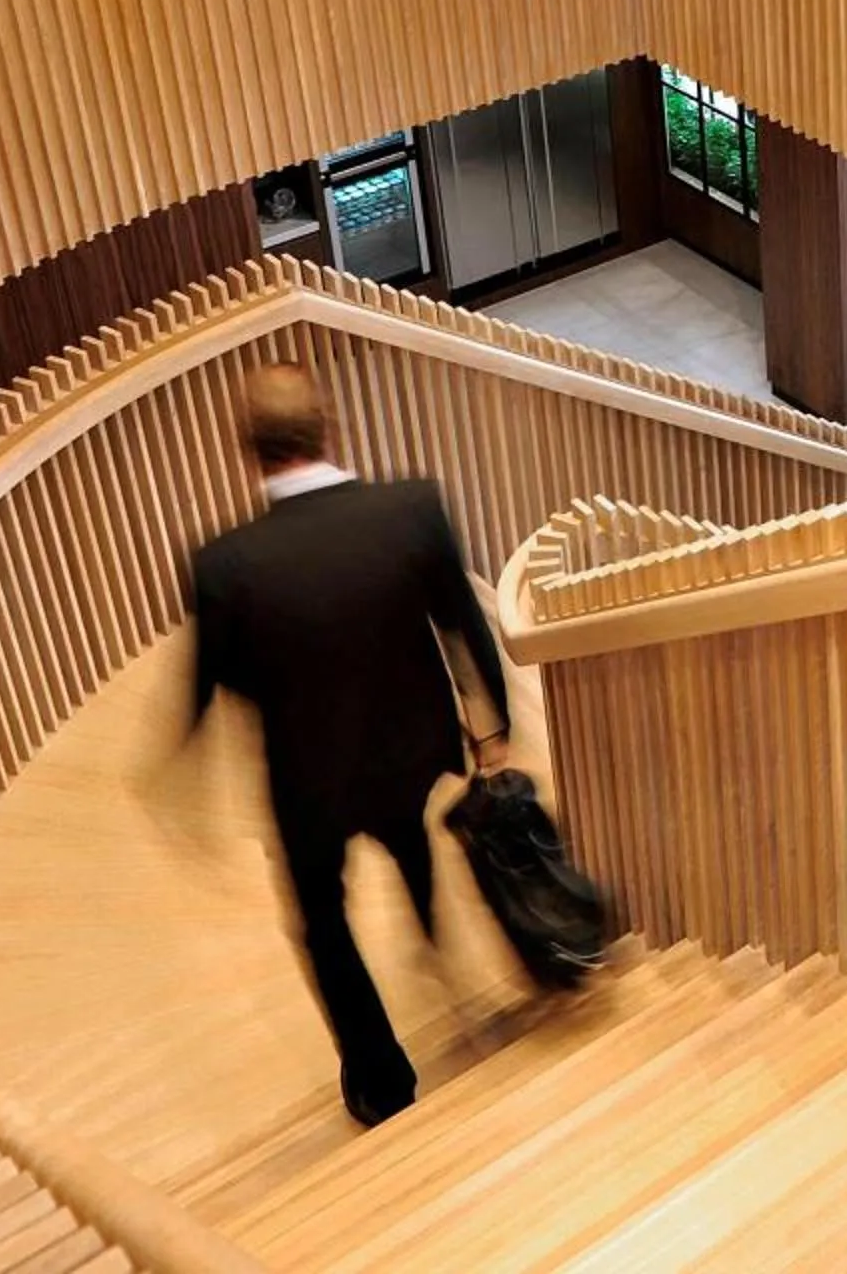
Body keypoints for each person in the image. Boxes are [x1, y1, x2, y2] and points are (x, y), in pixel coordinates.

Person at [181, 362, 512, 1127]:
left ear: (249, 451)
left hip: (309, 781)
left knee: (324, 926)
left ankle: (382, 1082)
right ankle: (436, 937)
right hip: (410, 751)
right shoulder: (410, 508)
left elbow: (221, 681)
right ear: (328, 427)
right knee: (411, 841)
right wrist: (494, 732)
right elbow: (464, 622)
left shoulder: (223, 565)